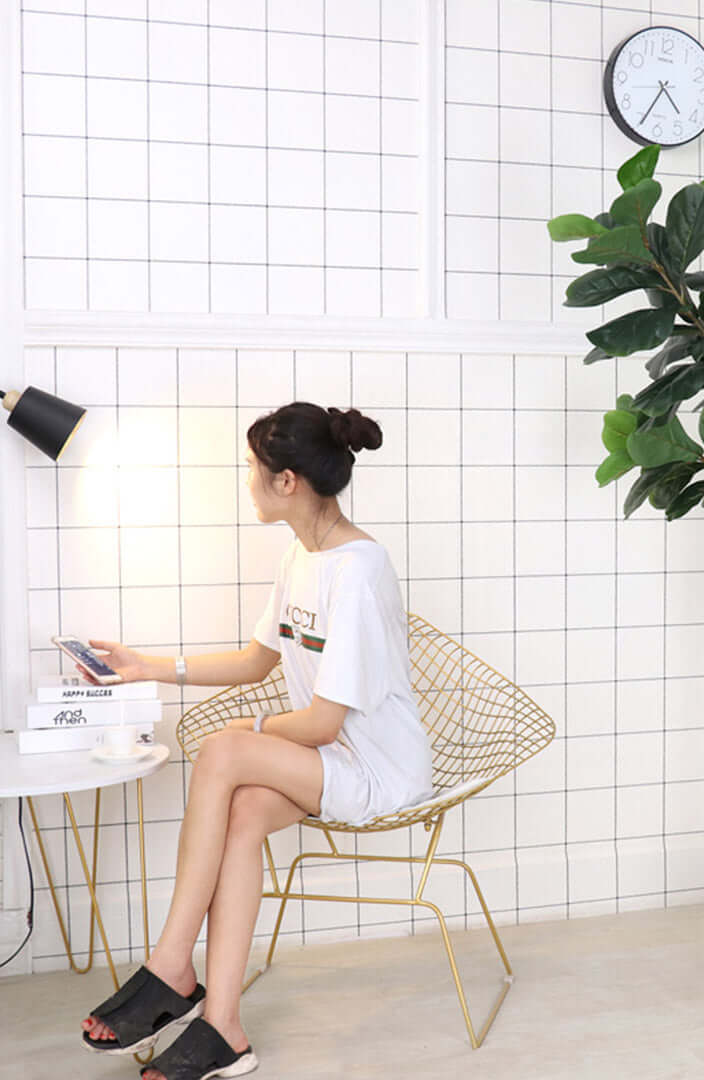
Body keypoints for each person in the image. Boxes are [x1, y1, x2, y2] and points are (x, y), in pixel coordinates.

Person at [78, 402, 433, 1080]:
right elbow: (254, 661)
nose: (247, 481)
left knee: (223, 750)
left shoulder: (358, 571)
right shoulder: (302, 556)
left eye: (252, 469)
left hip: (380, 767)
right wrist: (148, 665)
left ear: (288, 480)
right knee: (240, 814)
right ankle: (224, 1029)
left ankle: (171, 967)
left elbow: (325, 722)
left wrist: (246, 730)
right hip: (328, 760)